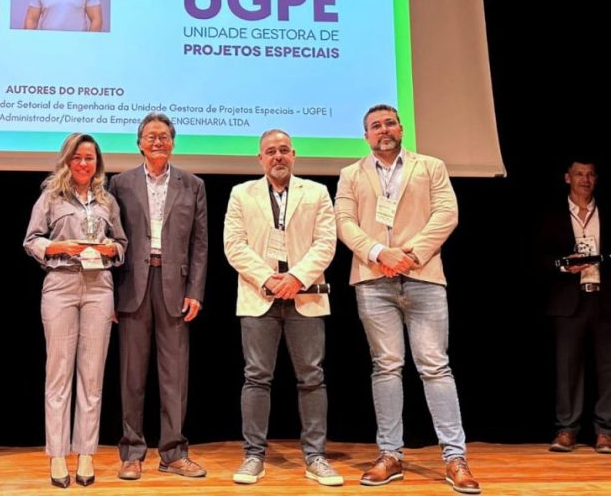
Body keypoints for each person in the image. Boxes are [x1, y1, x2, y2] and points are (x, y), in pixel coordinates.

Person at [334, 104, 481, 494]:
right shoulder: (351, 174)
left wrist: (410, 255)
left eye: (389, 123)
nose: (383, 130)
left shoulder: (430, 167)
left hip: (423, 275)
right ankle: (389, 455)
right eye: (375, 126)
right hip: (373, 279)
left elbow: (446, 214)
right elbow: (344, 222)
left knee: (435, 366)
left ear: (401, 128)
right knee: (386, 367)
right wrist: (380, 253)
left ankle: (455, 458)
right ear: (366, 135)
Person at [223, 129, 343, 487]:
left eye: (284, 150)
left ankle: (316, 457)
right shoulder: (241, 193)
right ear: (260, 158)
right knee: (256, 377)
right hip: (259, 297)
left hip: (306, 296)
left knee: (312, 377)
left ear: (294, 155)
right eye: (271, 151)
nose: (278, 156)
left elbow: (326, 243)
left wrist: (296, 278)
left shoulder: (316, 192)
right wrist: (268, 278)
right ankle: (253, 456)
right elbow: (234, 244)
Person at [23, 133, 127, 488]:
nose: (84, 163)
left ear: (97, 163)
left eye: (90, 158)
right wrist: (58, 246)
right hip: (61, 284)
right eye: (78, 157)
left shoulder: (107, 200)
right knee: (59, 373)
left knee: (92, 375)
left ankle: (85, 453)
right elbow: (31, 239)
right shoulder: (51, 197)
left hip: (99, 286)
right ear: (67, 161)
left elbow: (122, 243)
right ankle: (57, 455)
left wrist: (112, 248)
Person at [109, 112, 207, 480]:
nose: (157, 141)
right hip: (132, 285)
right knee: (132, 375)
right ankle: (132, 452)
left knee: (174, 375)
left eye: (164, 136)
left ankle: (173, 453)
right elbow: (111, 238)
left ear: (173, 142)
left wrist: (195, 290)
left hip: (175, 287)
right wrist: (109, 294)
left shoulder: (192, 184)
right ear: (139, 143)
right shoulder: (120, 183)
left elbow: (200, 244)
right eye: (150, 136)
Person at [540, 158, 611, 454]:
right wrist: (562, 265)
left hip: (604, 299)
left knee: (608, 366)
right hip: (568, 300)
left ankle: (605, 432)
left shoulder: (605, 212)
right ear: (567, 178)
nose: (585, 179)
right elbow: (536, 256)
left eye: (591, 174)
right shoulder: (551, 215)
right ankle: (567, 430)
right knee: (568, 368)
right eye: (579, 174)